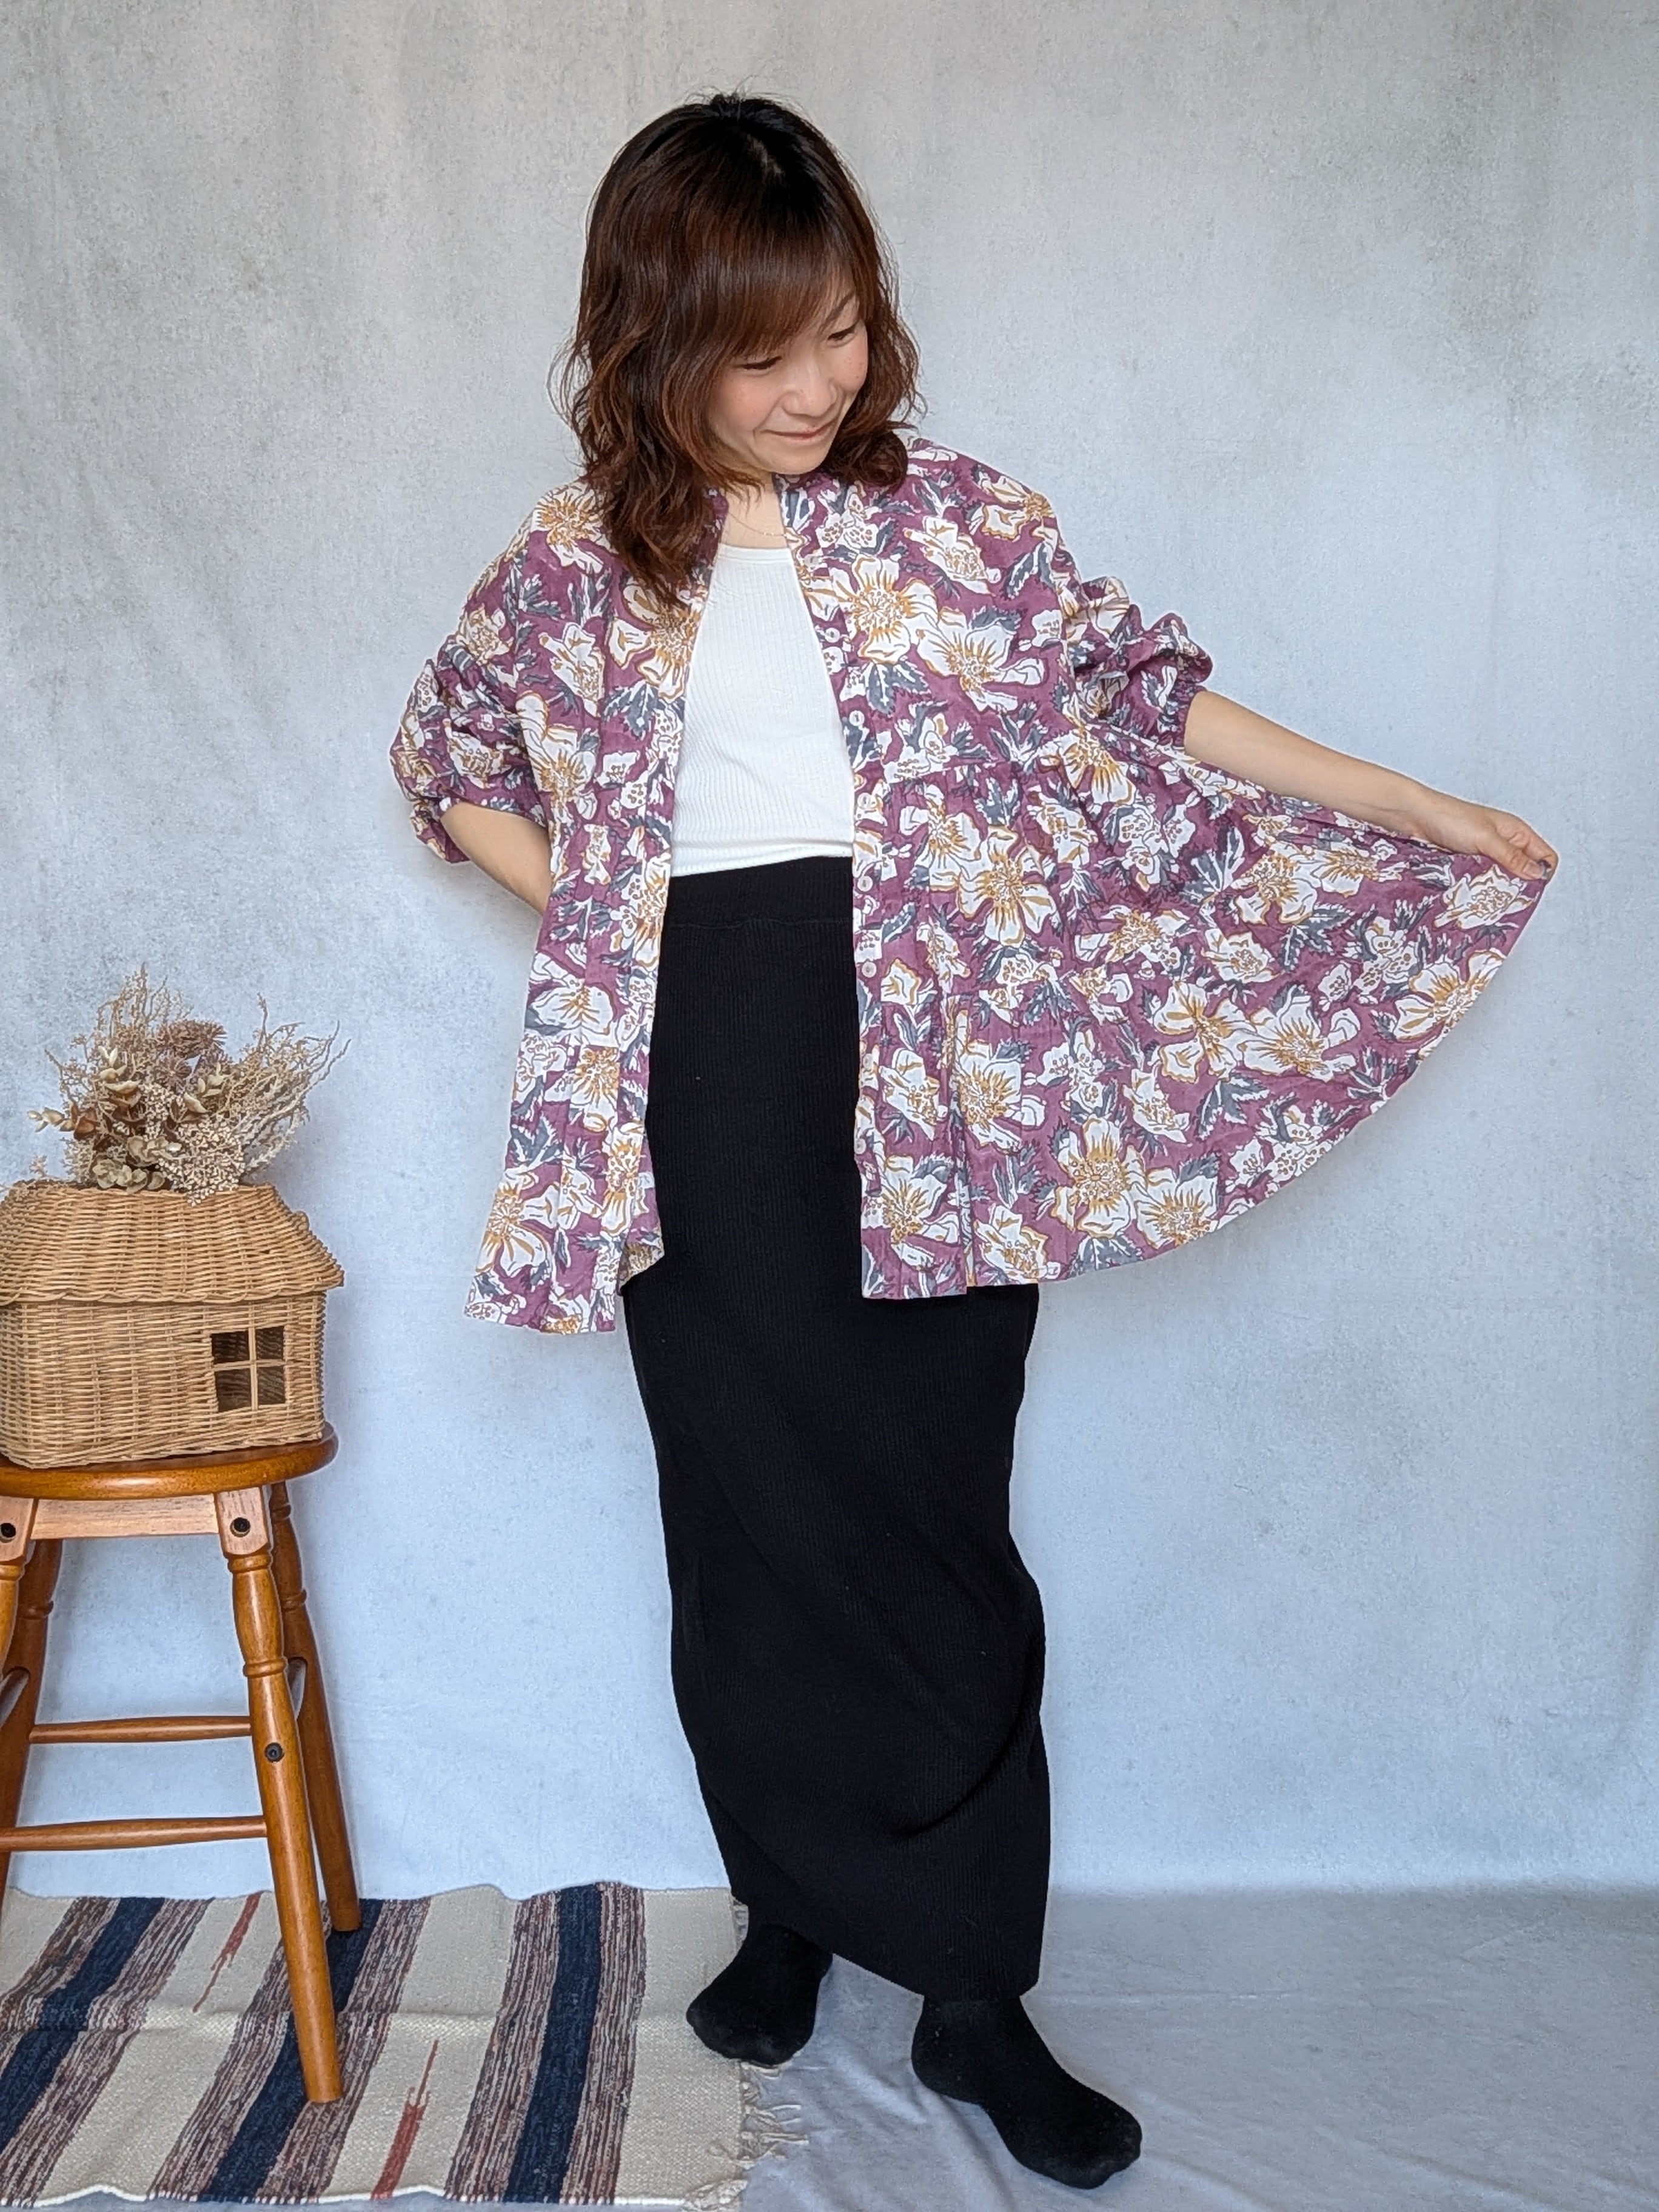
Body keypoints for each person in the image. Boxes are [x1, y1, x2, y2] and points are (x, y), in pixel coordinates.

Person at [391, 93, 1554, 2193]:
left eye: (842, 332)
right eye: (765, 352)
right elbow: (449, 759)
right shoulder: (577, 563)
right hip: (705, 1065)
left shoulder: (966, 525)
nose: (817, 386)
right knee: (745, 1513)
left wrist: (1405, 802)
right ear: (658, 340)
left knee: (932, 1517)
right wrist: (603, 926)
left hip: (948, 1069)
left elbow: (1140, 701)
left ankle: (972, 1985)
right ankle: (794, 1905)